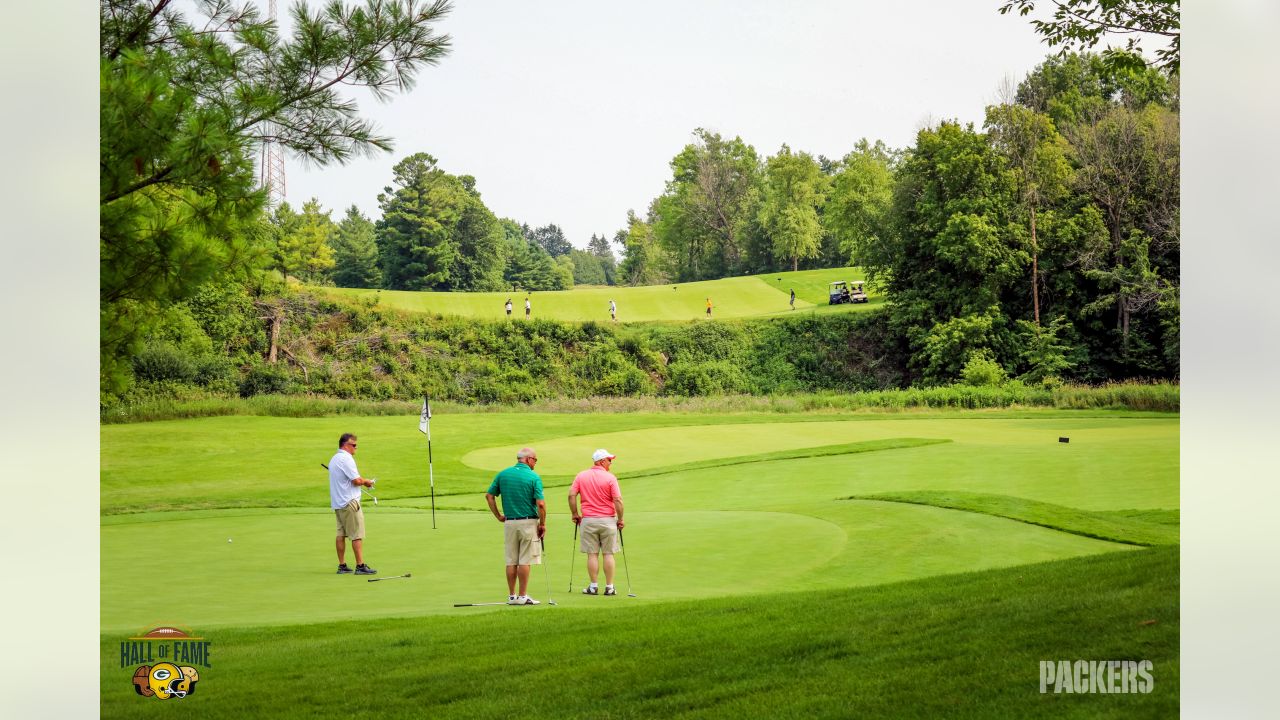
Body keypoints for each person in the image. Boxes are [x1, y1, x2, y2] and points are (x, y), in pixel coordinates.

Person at [485, 447, 546, 605]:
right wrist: (543, 524)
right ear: (528, 459)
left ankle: (512, 596)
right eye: (535, 460)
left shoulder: (503, 474)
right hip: (528, 522)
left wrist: (499, 515)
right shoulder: (533, 477)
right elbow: (540, 504)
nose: (535, 463)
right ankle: (522, 596)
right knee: (525, 560)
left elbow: (489, 496)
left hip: (510, 522)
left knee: (511, 560)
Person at [568, 449, 624, 596]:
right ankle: (610, 587)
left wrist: (575, 514)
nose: (610, 463)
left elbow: (571, 495)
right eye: (609, 460)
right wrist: (621, 519)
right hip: (608, 521)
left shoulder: (581, 476)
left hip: (588, 521)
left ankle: (593, 587)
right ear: (601, 461)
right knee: (608, 554)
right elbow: (617, 500)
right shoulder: (610, 478)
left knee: (592, 554)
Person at [329, 433, 377, 575]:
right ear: (345, 445)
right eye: (354, 445)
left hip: (338, 503)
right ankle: (360, 566)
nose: (356, 448)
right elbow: (356, 480)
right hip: (350, 503)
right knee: (356, 535)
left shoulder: (334, 458)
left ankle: (342, 565)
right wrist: (367, 481)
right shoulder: (346, 459)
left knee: (341, 534)